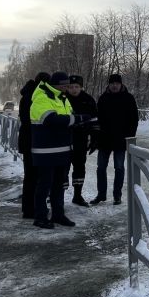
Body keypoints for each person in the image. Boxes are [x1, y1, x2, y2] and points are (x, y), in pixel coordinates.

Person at [29, 71, 95, 229]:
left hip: (62, 150)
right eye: (65, 85)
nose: (67, 88)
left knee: (58, 185)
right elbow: (50, 119)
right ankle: (40, 217)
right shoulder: (42, 97)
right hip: (46, 151)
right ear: (57, 85)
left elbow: (69, 118)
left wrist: (85, 122)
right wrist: (78, 119)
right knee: (44, 185)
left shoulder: (62, 98)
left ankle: (58, 214)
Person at [93, 74, 139, 206]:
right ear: (108, 84)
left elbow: (134, 119)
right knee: (101, 168)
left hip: (121, 140)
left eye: (117, 83)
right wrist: (97, 137)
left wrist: (129, 137)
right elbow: (98, 119)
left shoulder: (128, 98)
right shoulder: (103, 98)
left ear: (121, 84)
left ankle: (117, 196)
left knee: (119, 168)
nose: (114, 85)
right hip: (104, 140)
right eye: (112, 83)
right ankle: (101, 194)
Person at [17, 72, 49, 218]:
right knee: (35, 177)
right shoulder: (36, 96)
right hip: (34, 141)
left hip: (27, 140)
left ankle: (28, 208)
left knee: (30, 176)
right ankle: (33, 208)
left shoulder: (27, 94)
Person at [64, 74, 99, 207]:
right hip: (65, 139)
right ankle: (58, 196)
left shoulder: (88, 100)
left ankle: (77, 195)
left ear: (81, 87)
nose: (74, 89)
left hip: (81, 139)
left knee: (79, 167)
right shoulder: (62, 98)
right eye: (71, 87)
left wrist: (95, 138)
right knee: (63, 168)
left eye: (76, 87)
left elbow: (95, 120)